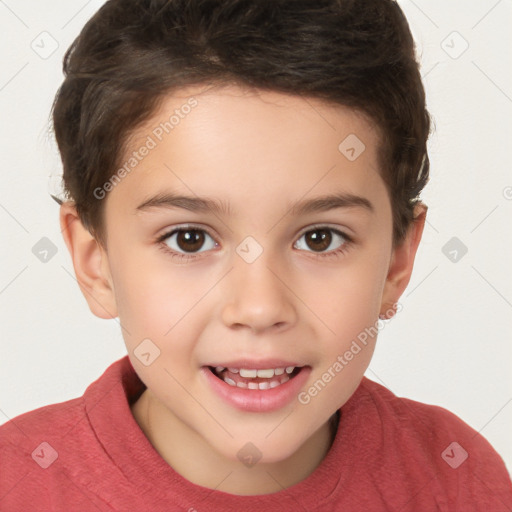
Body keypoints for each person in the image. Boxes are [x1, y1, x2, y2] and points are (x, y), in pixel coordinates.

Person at [1, 0, 511, 510]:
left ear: (398, 261)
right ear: (96, 263)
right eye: (189, 239)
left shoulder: (457, 480)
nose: (260, 307)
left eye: (320, 238)